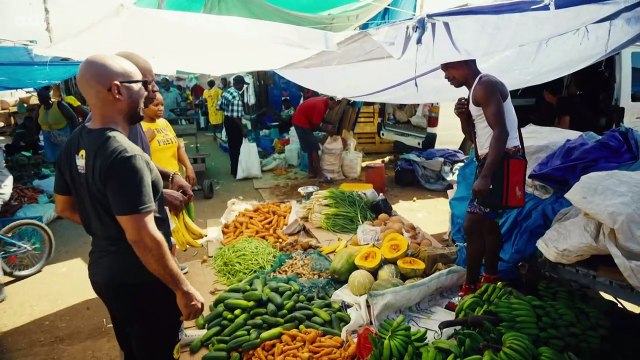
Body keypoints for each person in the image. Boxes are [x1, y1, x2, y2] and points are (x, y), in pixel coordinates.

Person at [54, 54, 204, 359]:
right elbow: (142, 237)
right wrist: (183, 288)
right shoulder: (125, 156)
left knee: (135, 347)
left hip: (105, 270)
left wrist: (109, 227)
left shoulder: (76, 142)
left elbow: (64, 208)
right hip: (142, 277)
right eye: (143, 84)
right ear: (119, 90)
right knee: (159, 349)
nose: (149, 92)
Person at [440, 59, 523, 297]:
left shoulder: (485, 85)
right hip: (491, 162)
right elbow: (474, 137)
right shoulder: (475, 90)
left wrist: (486, 176)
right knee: (487, 225)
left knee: (471, 225)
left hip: (499, 163)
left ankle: (469, 287)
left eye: (448, 69)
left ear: (464, 63)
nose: (446, 76)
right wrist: (464, 117)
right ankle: (490, 279)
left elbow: (502, 131)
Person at [141, 92, 197, 186]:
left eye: (162, 105)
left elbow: (178, 147)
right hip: (157, 182)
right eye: (156, 105)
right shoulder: (138, 128)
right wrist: (145, 140)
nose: (161, 108)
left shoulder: (164, 123)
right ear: (143, 106)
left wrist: (188, 166)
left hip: (177, 178)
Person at [292, 96, 339, 180]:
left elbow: (320, 118)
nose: (334, 108)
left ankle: (311, 171)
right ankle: (320, 174)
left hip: (301, 121)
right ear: (331, 101)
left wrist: (329, 122)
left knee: (310, 147)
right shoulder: (320, 106)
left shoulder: (323, 102)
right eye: (334, 106)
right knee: (314, 147)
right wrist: (328, 131)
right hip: (301, 123)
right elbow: (316, 125)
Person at [34, 86, 79, 162]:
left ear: (48, 97)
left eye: (41, 97)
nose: (39, 99)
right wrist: (36, 134)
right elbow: (36, 123)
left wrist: (76, 134)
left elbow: (73, 118)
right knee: (52, 159)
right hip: (48, 138)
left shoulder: (59, 105)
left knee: (66, 158)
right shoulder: (39, 108)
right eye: (38, 97)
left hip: (63, 135)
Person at [218, 75, 248, 178]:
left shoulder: (227, 91)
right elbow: (235, 116)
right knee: (237, 147)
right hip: (234, 123)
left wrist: (229, 111)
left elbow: (220, 106)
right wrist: (242, 129)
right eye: (243, 85)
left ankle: (233, 169)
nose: (243, 87)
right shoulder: (236, 96)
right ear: (239, 84)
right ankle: (237, 172)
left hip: (227, 120)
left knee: (232, 146)